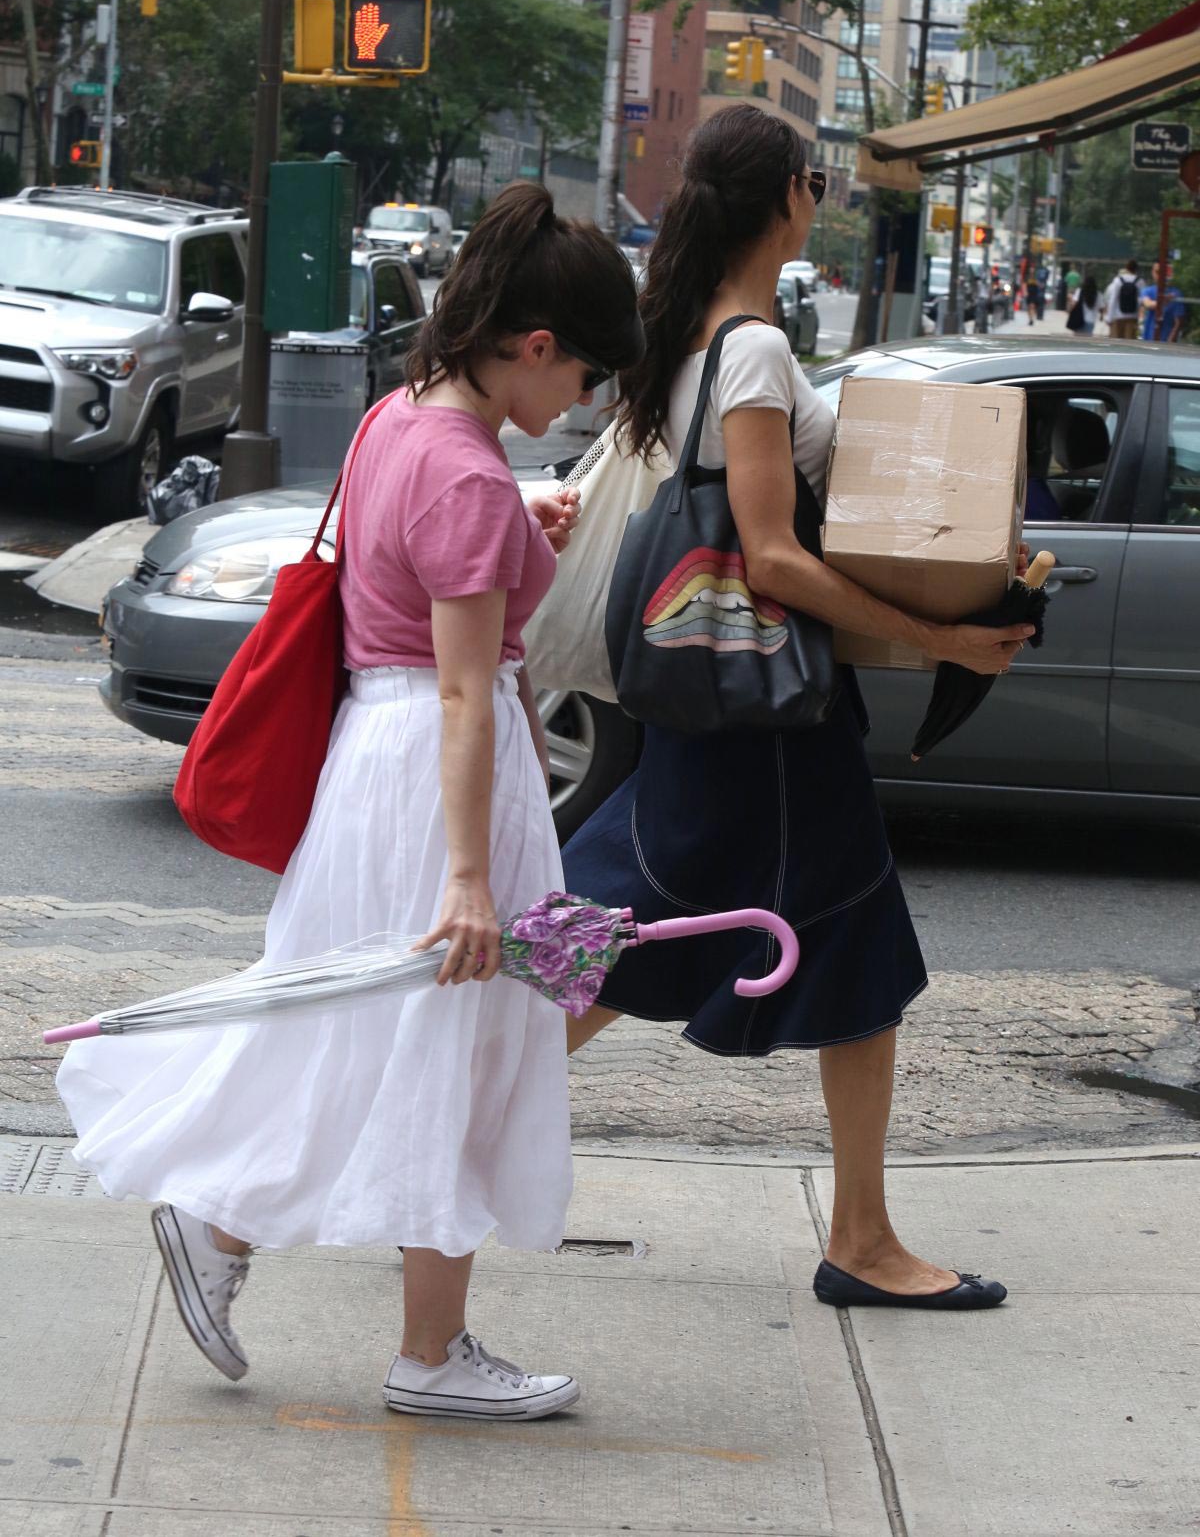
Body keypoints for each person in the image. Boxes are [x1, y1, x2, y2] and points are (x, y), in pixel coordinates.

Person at [56, 183, 644, 1419]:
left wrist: (514, 520)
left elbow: (406, 572)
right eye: (582, 375)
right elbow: (470, 696)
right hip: (439, 784)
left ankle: (226, 1237)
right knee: (453, 1051)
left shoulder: (404, 420)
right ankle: (424, 1354)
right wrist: (475, 877)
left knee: (372, 1032)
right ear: (534, 346)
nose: (580, 404)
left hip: (378, 765)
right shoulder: (470, 481)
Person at [562, 104, 1031, 1310]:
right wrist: (937, 636)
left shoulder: (699, 341)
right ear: (786, 198)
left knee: (643, 938)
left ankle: (864, 1234)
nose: (819, 195)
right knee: (616, 944)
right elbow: (769, 556)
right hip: (764, 723)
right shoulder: (752, 349)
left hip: (735, 714)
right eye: (814, 178)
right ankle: (413, 1121)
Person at [1140, 263, 1185, 342]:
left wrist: (1170, 341)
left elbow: (1178, 322)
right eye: (1157, 272)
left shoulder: (1176, 293)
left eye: (1162, 272)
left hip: (1166, 342)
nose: (1159, 275)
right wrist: (1164, 300)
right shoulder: (1147, 291)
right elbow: (1148, 304)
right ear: (1152, 272)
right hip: (1148, 340)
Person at [1104, 260, 1141, 339]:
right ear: (1136, 269)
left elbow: (1113, 299)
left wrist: (1109, 318)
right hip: (1132, 317)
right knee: (1130, 344)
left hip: (1118, 317)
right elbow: (1141, 300)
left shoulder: (1118, 280)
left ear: (1126, 268)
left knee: (1117, 343)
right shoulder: (1140, 281)